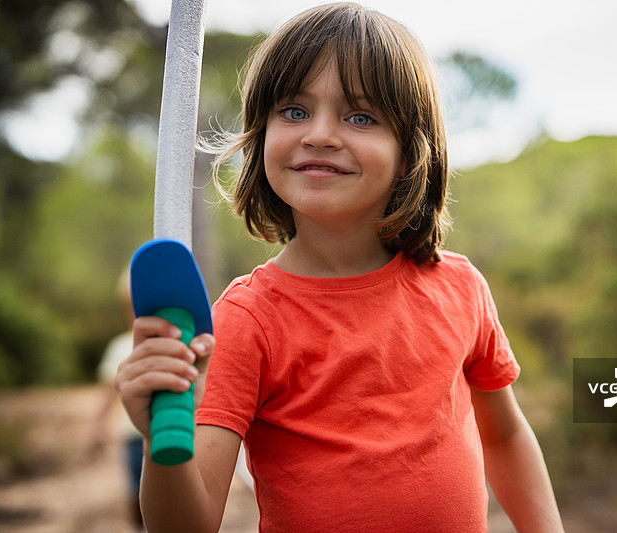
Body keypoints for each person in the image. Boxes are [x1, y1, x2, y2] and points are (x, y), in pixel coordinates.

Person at [116, 3, 565, 532]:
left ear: (412, 151)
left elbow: (505, 436)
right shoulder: (246, 320)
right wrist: (158, 444)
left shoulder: (460, 288)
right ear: (260, 135)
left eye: (360, 116)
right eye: (294, 111)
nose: (320, 134)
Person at [91, 269, 144, 532]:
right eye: (134, 305)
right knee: (135, 490)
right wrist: (98, 427)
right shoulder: (120, 347)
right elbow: (106, 394)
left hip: (171, 431)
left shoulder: (175, 342)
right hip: (133, 437)